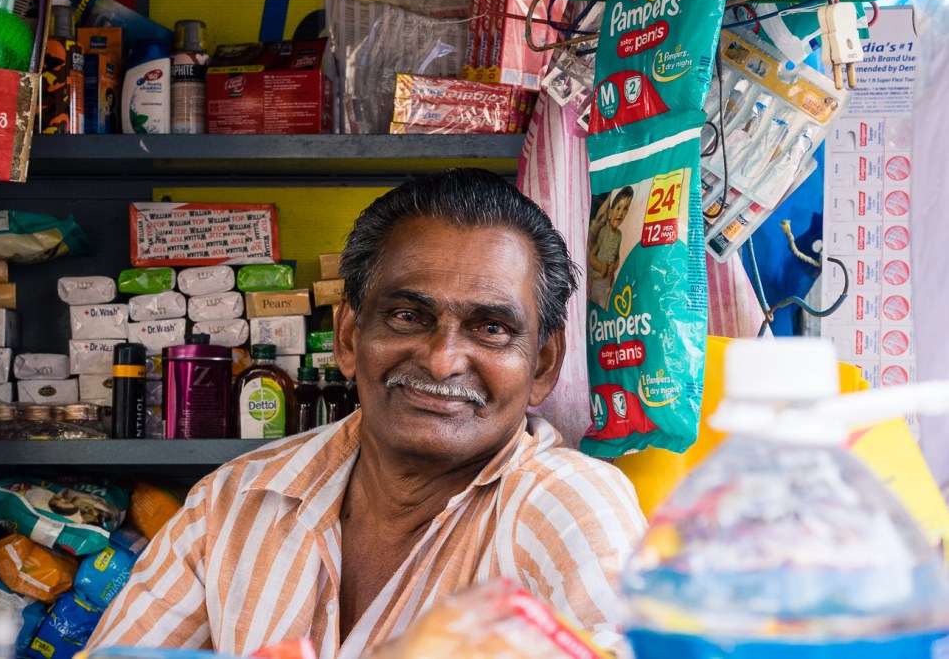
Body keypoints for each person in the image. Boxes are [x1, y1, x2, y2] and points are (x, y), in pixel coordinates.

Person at [86, 168, 646, 657]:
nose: (443, 360)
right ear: (349, 338)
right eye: (407, 316)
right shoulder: (235, 502)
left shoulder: (568, 506)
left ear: (543, 365)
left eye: (491, 328)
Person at [587, 186, 634, 307]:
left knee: (605, 308)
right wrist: (601, 267)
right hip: (597, 282)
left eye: (625, 209)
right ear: (609, 213)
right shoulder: (603, 231)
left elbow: (617, 258)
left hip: (608, 282)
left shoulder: (619, 235)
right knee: (595, 307)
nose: (621, 213)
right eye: (618, 208)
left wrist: (614, 267)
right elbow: (591, 257)